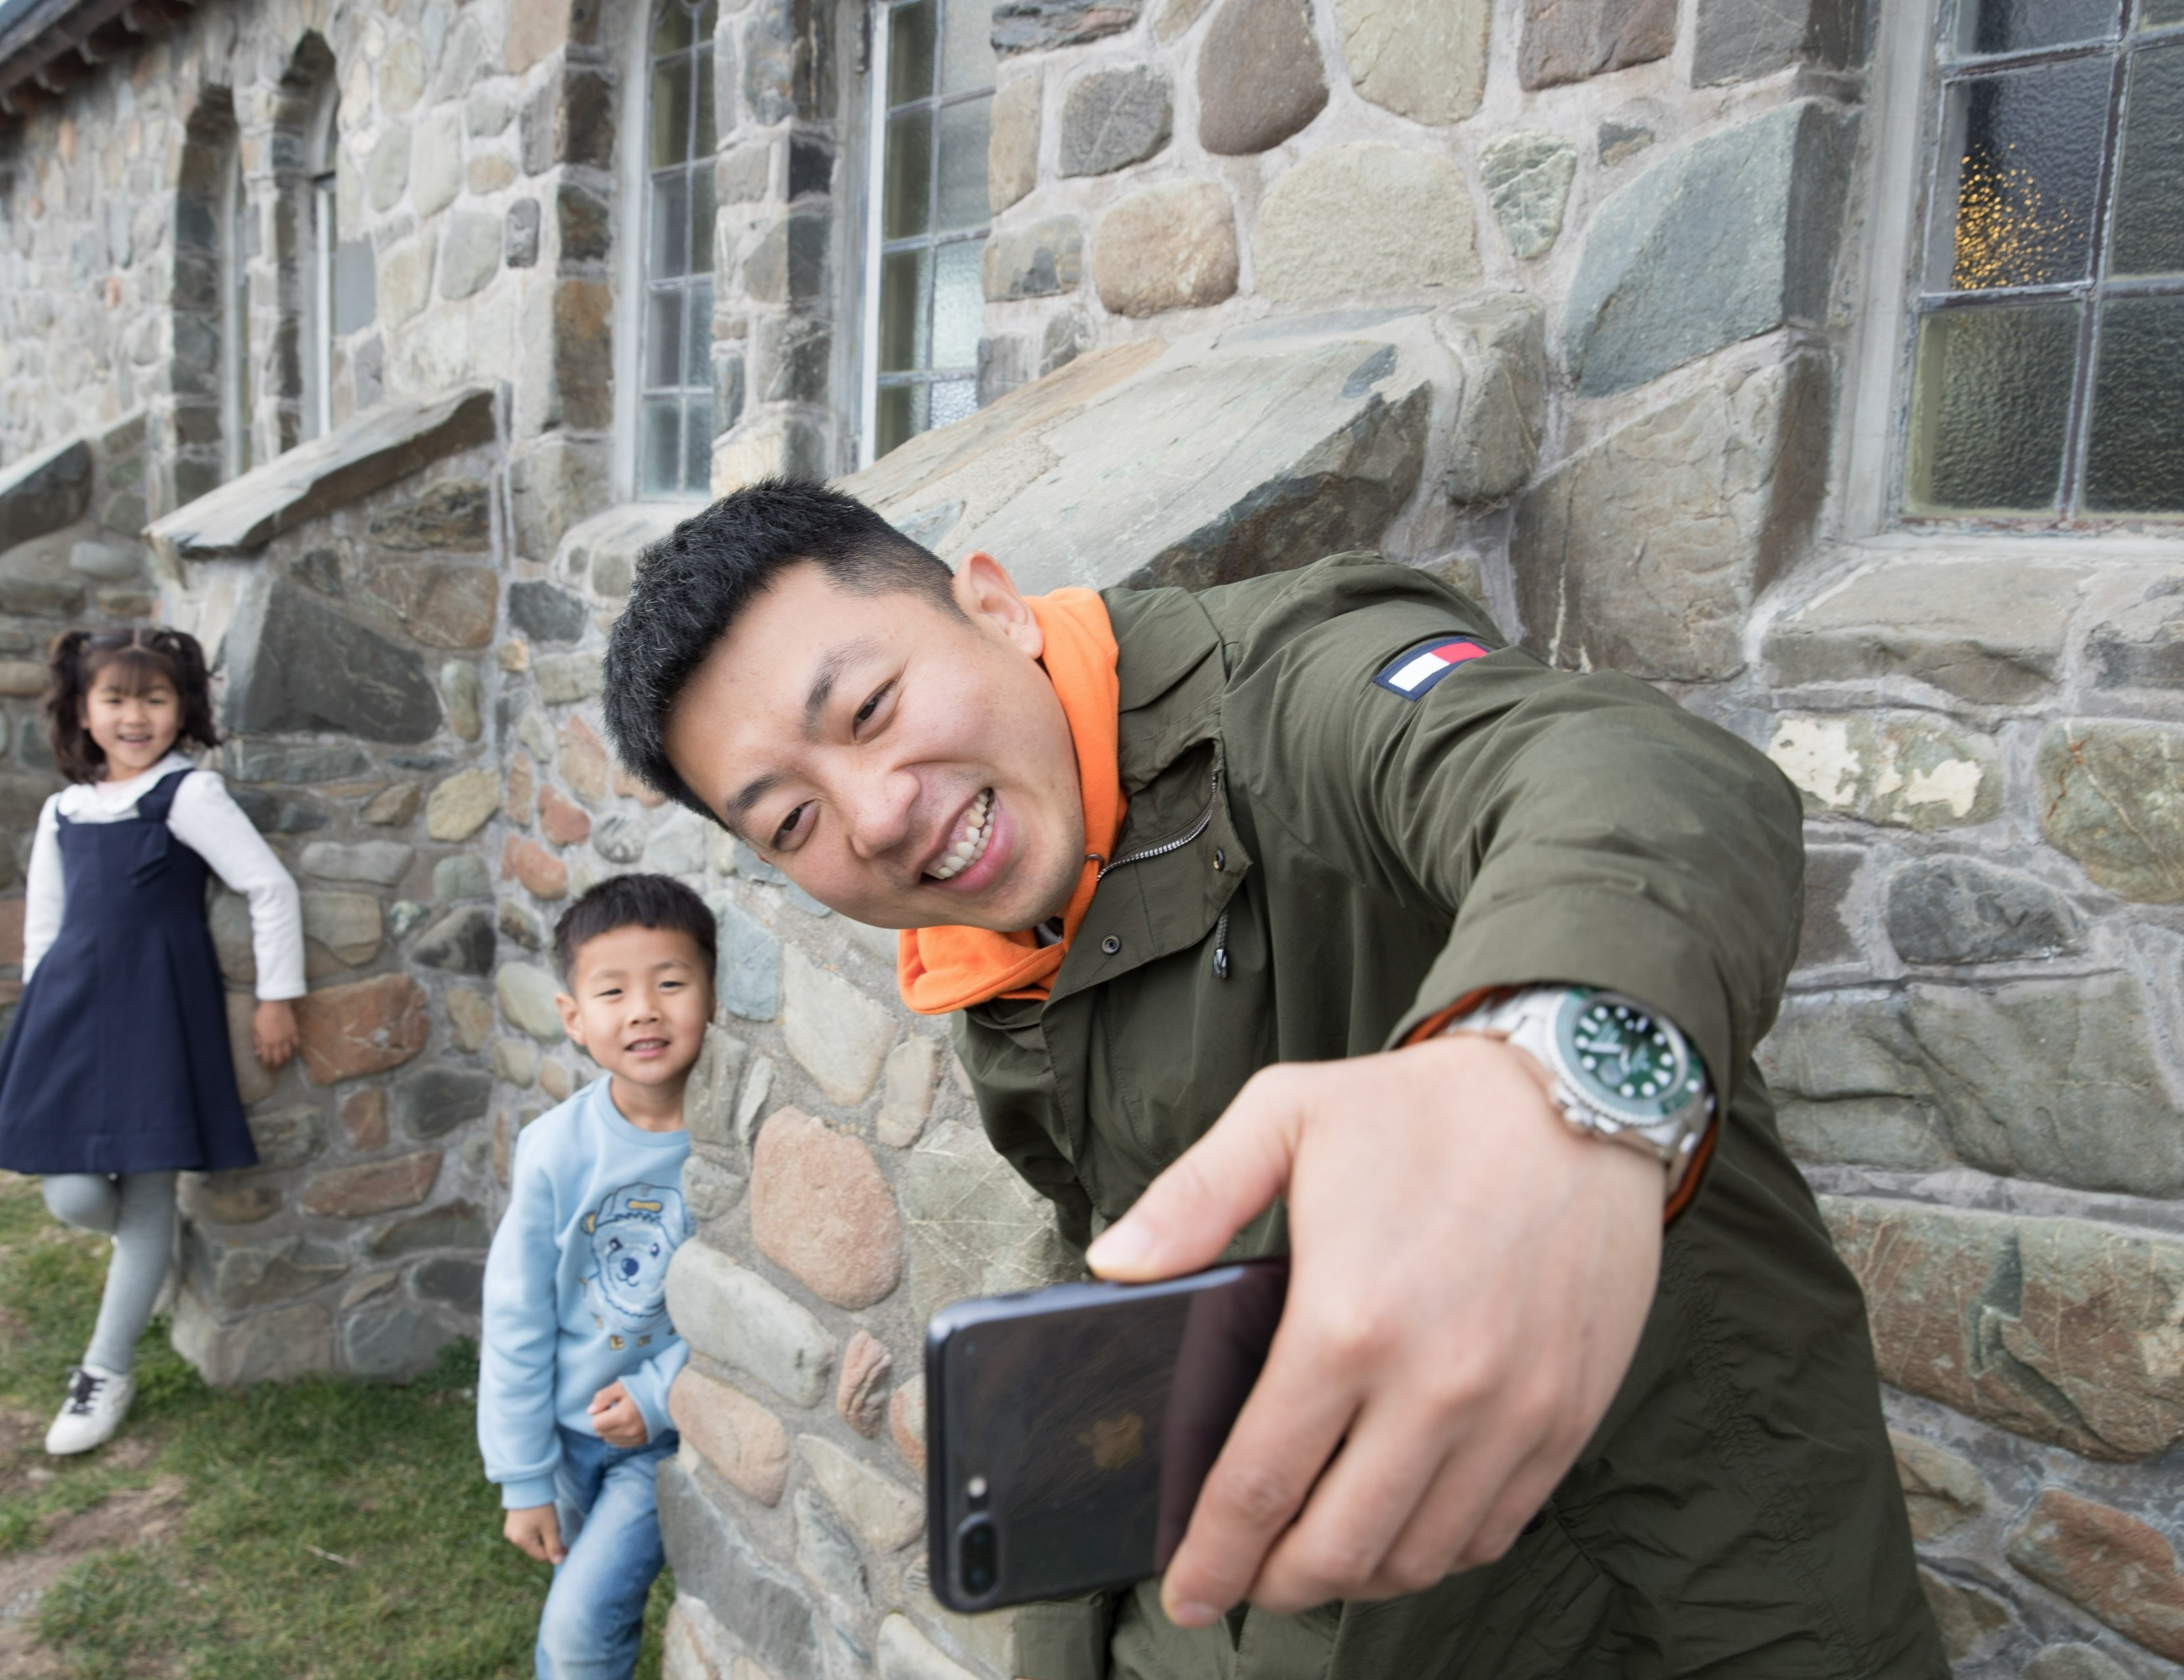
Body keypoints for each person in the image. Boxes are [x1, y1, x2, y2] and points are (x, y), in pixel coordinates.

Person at [599, 482, 1945, 1680]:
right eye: (793, 819)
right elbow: (1126, 1259)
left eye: (874, 708)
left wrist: (1550, 1074)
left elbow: (1617, 773)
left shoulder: (1298, 689)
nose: (877, 813)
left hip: (1659, 1570)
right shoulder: (992, 942)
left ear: (995, 607)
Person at [0, 628, 303, 1456]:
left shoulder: (187, 796)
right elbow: (46, 927)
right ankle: (143, 1257)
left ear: (181, 707)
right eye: (115, 698)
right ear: (82, 710)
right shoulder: (64, 809)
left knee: (147, 1193)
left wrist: (276, 997)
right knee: (72, 1193)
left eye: (155, 698)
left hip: (159, 1018)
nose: (135, 715)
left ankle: (103, 1372)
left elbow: (269, 886)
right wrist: (38, 1028)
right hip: (70, 1018)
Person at [479, 873, 713, 1680]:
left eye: (671, 982)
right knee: (592, 1608)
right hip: (561, 1436)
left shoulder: (733, 1148)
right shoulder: (554, 1149)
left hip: (661, 1440)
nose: (644, 1008)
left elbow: (733, 1307)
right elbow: (515, 1317)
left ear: (713, 993)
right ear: (575, 1019)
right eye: (612, 990)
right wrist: (522, 1474)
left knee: (578, 1630)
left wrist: (656, 1394)